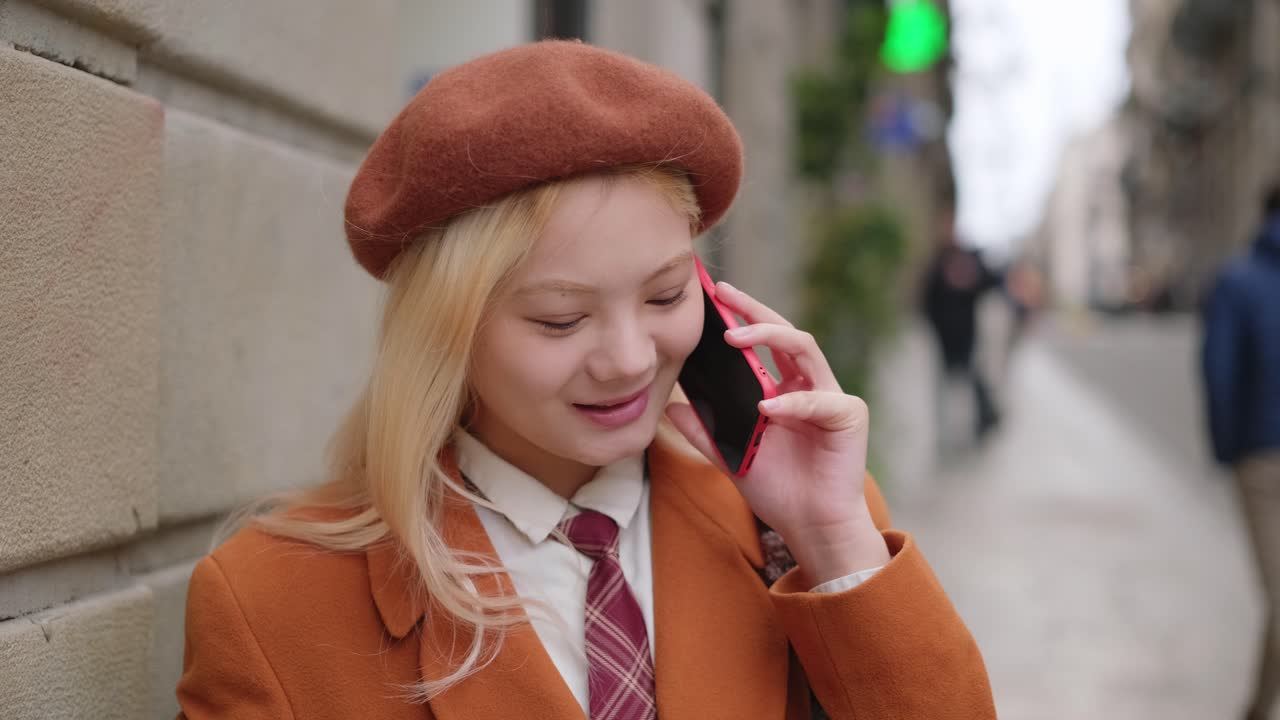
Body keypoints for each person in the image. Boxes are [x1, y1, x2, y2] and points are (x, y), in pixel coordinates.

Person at [175, 41, 994, 720]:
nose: (632, 359)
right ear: (443, 336)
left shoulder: (803, 533)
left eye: (668, 295)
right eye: (561, 320)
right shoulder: (269, 606)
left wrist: (832, 539)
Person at [1201, 184, 1280, 720]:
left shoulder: (1235, 280)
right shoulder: (1239, 282)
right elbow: (1221, 373)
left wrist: (1233, 450)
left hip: (1259, 458)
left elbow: (1219, 374)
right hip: (1264, 461)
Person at [921, 211, 1003, 443]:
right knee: (945, 389)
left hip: (968, 337)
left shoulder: (972, 260)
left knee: (971, 383)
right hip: (944, 339)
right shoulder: (938, 263)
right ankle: (945, 435)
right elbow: (927, 300)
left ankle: (980, 425)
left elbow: (992, 283)